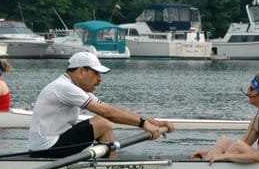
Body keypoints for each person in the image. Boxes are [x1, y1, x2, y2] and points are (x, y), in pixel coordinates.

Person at [27, 52, 174, 159]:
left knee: (101, 120)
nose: (100, 79)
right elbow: (109, 114)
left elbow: (111, 109)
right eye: (96, 73)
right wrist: (143, 124)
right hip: (45, 149)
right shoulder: (64, 87)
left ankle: (108, 163)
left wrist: (147, 120)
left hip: (52, 144)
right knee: (102, 123)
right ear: (81, 71)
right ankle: (110, 168)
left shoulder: (73, 87)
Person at [191, 72, 259, 163]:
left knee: (237, 145)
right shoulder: (258, 119)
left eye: (252, 89)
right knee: (224, 140)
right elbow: (244, 145)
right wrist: (208, 152)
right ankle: (206, 163)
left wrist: (224, 156)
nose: (247, 92)